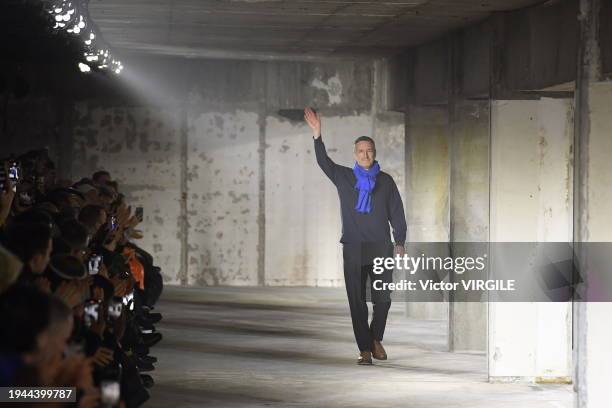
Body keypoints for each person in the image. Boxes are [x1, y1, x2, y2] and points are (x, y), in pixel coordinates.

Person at [304, 107, 407, 365]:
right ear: (355, 154)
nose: (365, 155)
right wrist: (317, 134)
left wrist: (400, 240)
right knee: (357, 300)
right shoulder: (344, 176)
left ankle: (375, 339)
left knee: (382, 299)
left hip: (381, 247)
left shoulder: (386, 181)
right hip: (353, 247)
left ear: (374, 153)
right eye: (360, 151)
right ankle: (364, 349)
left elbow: (397, 212)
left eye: (369, 151)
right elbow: (323, 162)